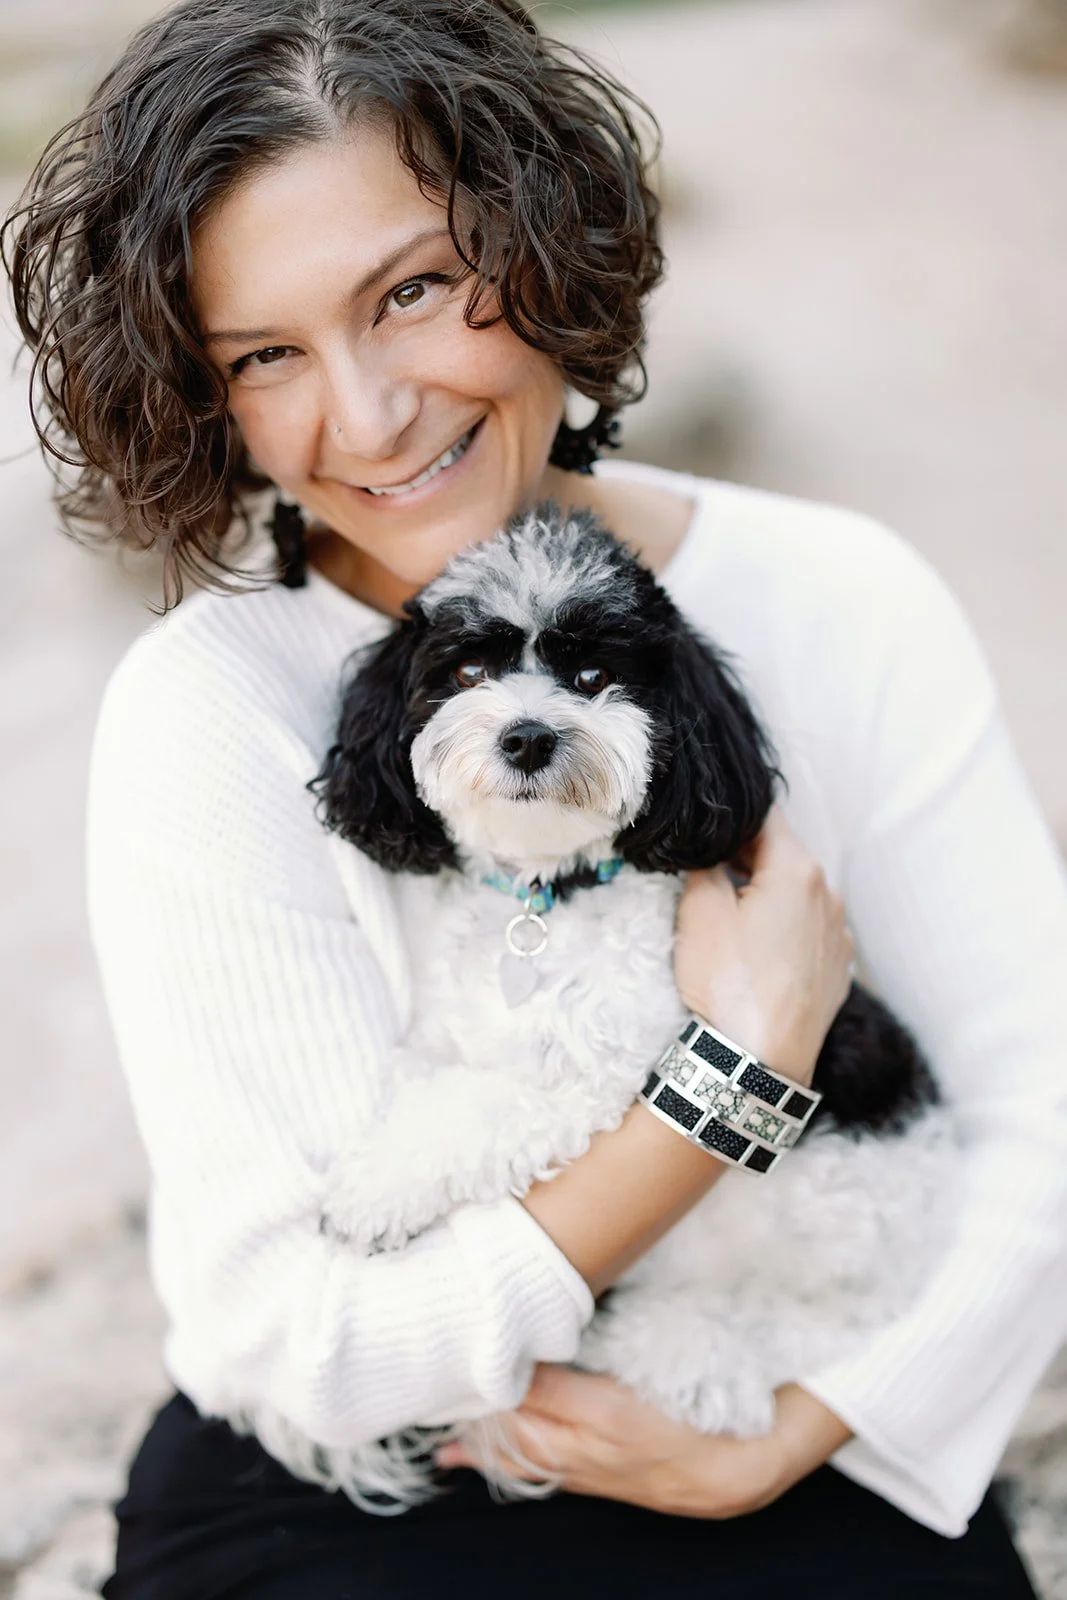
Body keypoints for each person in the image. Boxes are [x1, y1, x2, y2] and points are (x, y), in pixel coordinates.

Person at [5, 1, 1064, 1594]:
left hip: (794, 1421)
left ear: (541, 242)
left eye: (413, 291)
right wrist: (736, 1074)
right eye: (266, 357)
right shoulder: (209, 706)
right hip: (354, 1485)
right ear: (198, 397)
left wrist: (795, 1432)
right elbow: (296, 1337)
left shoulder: (839, 593)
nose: (367, 418)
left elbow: (1038, 1119)